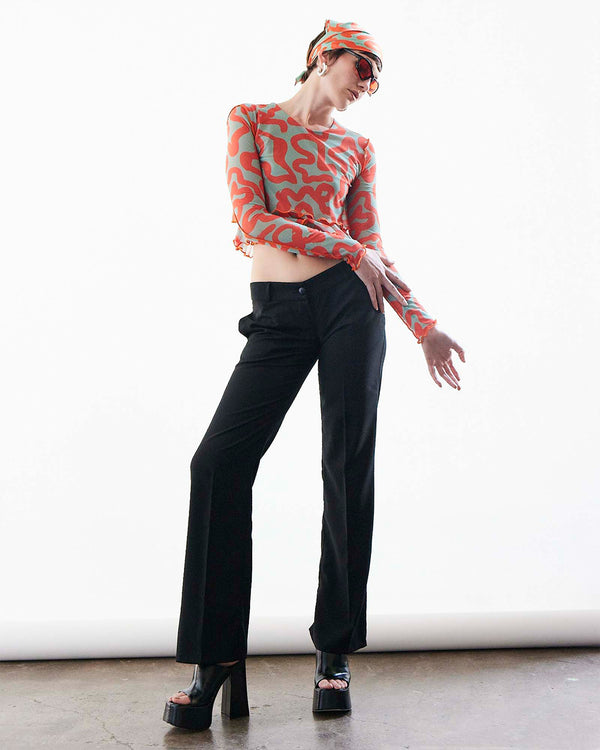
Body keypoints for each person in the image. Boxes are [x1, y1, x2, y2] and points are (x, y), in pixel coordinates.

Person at [163, 18, 466, 731]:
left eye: (377, 77)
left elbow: (374, 249)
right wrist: (346, 248)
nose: (370, 84)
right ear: (323, 56)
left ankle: (334, 651)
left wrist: (423, 325)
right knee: (218, 463)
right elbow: (252, 218)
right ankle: (215, 660)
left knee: (346, 465)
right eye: (364, 67)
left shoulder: (356, 148)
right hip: (278, 310)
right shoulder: (252, 120)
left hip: (350, 309)